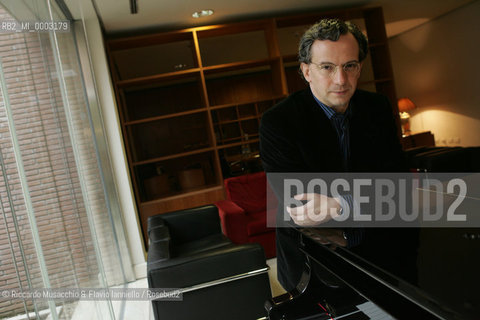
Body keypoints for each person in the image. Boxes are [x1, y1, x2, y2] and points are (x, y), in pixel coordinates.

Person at [259, 18, 415, 292]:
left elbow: (400, 186)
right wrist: (371, 199)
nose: (341, 80)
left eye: (349, 66)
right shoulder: (278, 122)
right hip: (313, 263)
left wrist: (342, 204)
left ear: (359, 67)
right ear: (306, 71)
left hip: (381, 255)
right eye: (327, 67)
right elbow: (304, 210)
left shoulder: (377, 107)